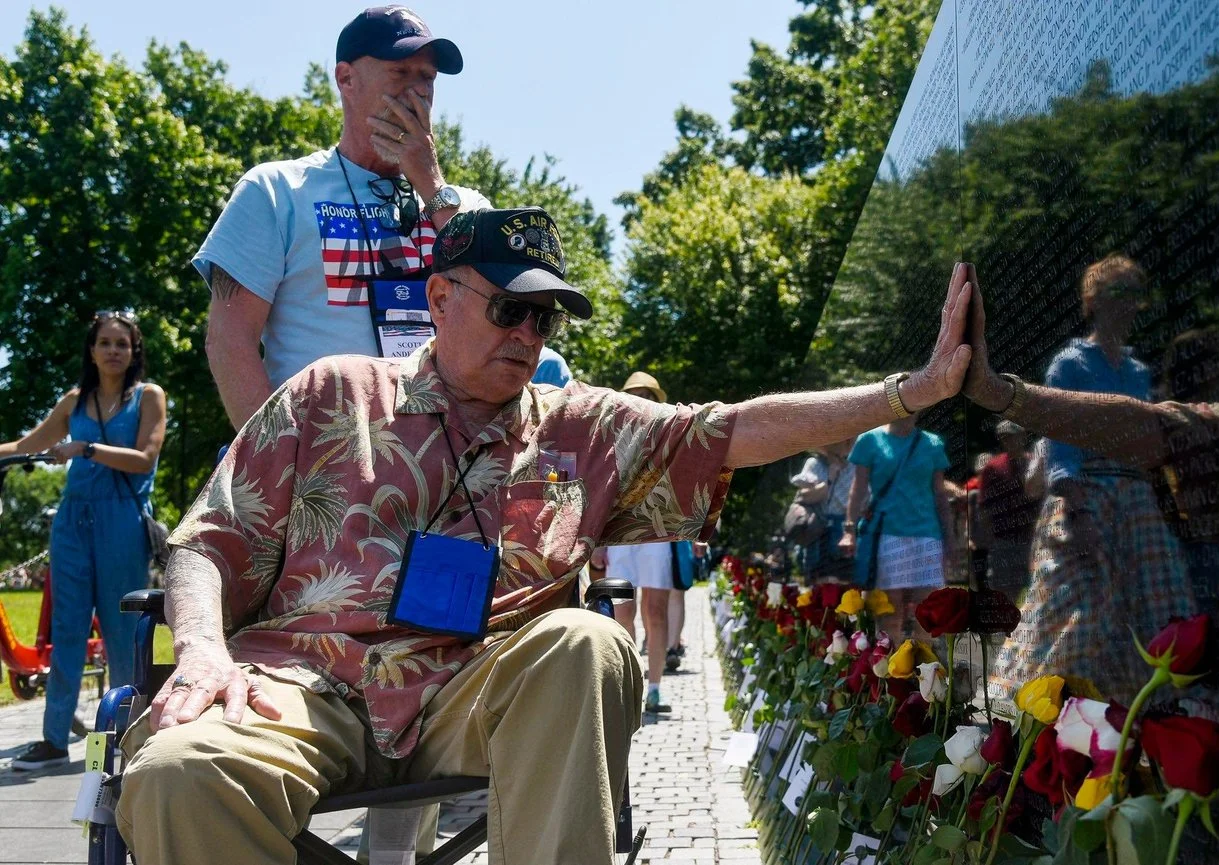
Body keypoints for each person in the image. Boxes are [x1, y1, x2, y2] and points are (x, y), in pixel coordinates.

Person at [115, 211, 975, 865]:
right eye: (509, 309)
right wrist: (199, 650)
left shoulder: (581, 428)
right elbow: (206, 540)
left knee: (584, 640)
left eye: (546, 320)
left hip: (474, 688)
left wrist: (907, 393)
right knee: (177, 775)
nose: (528, 336)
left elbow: (733, 429)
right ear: (440, 297)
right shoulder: (330, 393)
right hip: (303, 683)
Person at [197, 6, 490, 430]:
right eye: (400, 73)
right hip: (321, 465)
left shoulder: (461, 205)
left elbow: (496, 307)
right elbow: (228, 340)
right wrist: (276, 461)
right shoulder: (276, 191)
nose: (417, 92)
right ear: (346, 79)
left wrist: (429, 182)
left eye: (426, 78)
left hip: (446, 465)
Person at [988, 256, 1190, 700]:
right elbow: (1059, 438)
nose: (1130, 305)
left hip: (1137, 505)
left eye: (1135, 294)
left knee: (1154, 610)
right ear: (1093, 302)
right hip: (1086, 495)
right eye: (1119, 293)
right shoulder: (1070, 364)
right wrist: (1076, 509)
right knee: (1073, 611)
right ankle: (1037, 708)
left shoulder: (1138, 372)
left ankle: (1134, 715)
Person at [0, 313, 166, 770]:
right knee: (67, 630)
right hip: (72, 521)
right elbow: (26, 444)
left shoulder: (148, 397)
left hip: (122, 521)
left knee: (122, 632)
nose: (114, 351)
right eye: (105, 343)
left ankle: (126, 737)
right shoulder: (75, 401)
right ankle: (54, 741)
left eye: (122, 344)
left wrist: (87, 449)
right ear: (91, 350)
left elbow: (145, 458)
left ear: (134, 351)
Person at [592, 372, 677, 713]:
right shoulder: (612, 438)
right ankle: (630, 684)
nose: (641, 400)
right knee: (621, 615)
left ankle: (655, 688)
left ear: (658, 400)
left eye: (647, 395)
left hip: (658, 533)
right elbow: (601, 488)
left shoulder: (673, 434)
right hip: (621, 535)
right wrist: (597, 541)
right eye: (634, 394)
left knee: (655, 613)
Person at [839, 414, 955, 638]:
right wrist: (849, 531)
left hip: (927, 534)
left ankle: (924, 669)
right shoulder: (869, 440)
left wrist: (949, 539)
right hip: (887, 535)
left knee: (928, 612)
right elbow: (858, 489)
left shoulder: (932, 443)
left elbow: (940, 495)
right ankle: (888, 668)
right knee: (889, 611)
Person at [973, 420, 1040, 599]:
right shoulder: (993, 467)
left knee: (1036, 591)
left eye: (1013, 436)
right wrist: (988, 538)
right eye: (1005, 437)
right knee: (1003, 593)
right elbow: (984, 505)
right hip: (1004, 540)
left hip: (1032, 539)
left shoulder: (1034, 464)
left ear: (1023, 436)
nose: (1009, 441)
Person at [789, 438, 856, 583]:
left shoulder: (856, 467)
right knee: (815, 580)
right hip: (817, 529)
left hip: (843, 531)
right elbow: (805, 496)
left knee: (840, 581)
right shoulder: (815, 464)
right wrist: (829, 479)